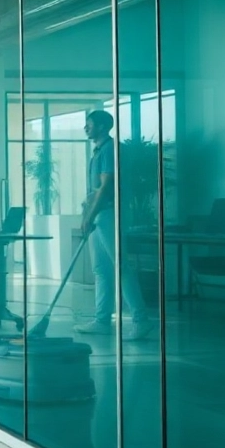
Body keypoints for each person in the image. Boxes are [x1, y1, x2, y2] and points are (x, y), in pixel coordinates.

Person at [76, 110, 155, 340]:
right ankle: (102, 320)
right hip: (99, 214)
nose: (85, 128)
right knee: (101, 270)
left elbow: (106, 186)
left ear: (101, 126)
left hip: (109, 214)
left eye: (88, 124)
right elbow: (94, 191)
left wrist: (91, 215)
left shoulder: (111, 149)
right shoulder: (98, 151)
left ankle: (140, 320)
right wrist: (87, 214)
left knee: (120, 266)